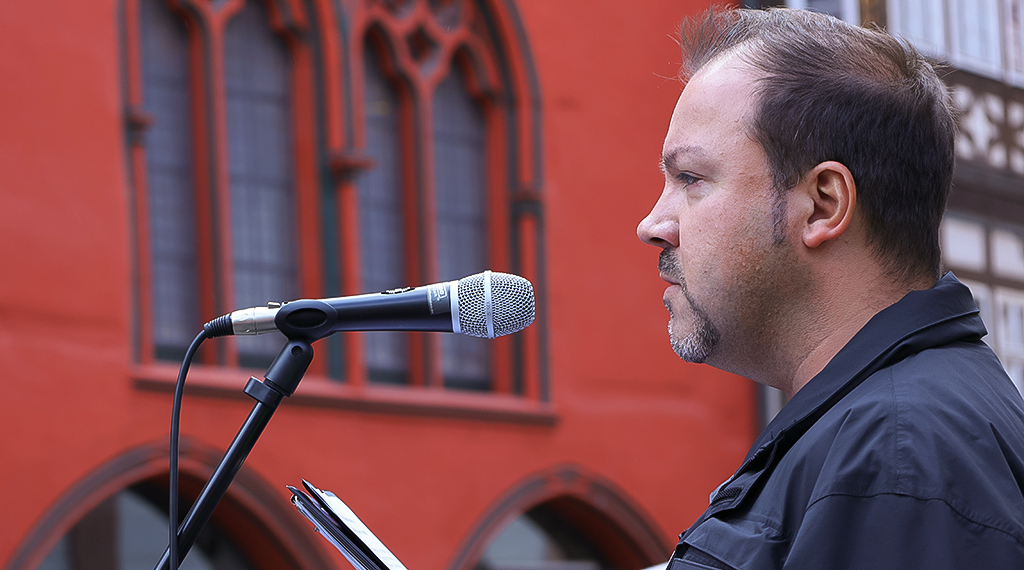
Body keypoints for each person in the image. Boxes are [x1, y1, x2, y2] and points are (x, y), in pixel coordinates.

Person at [636, 7, 1024, 569]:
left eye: (691, 179)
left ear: (823, 204)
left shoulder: (896, 457)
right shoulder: (885, 439)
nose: (652, 225)